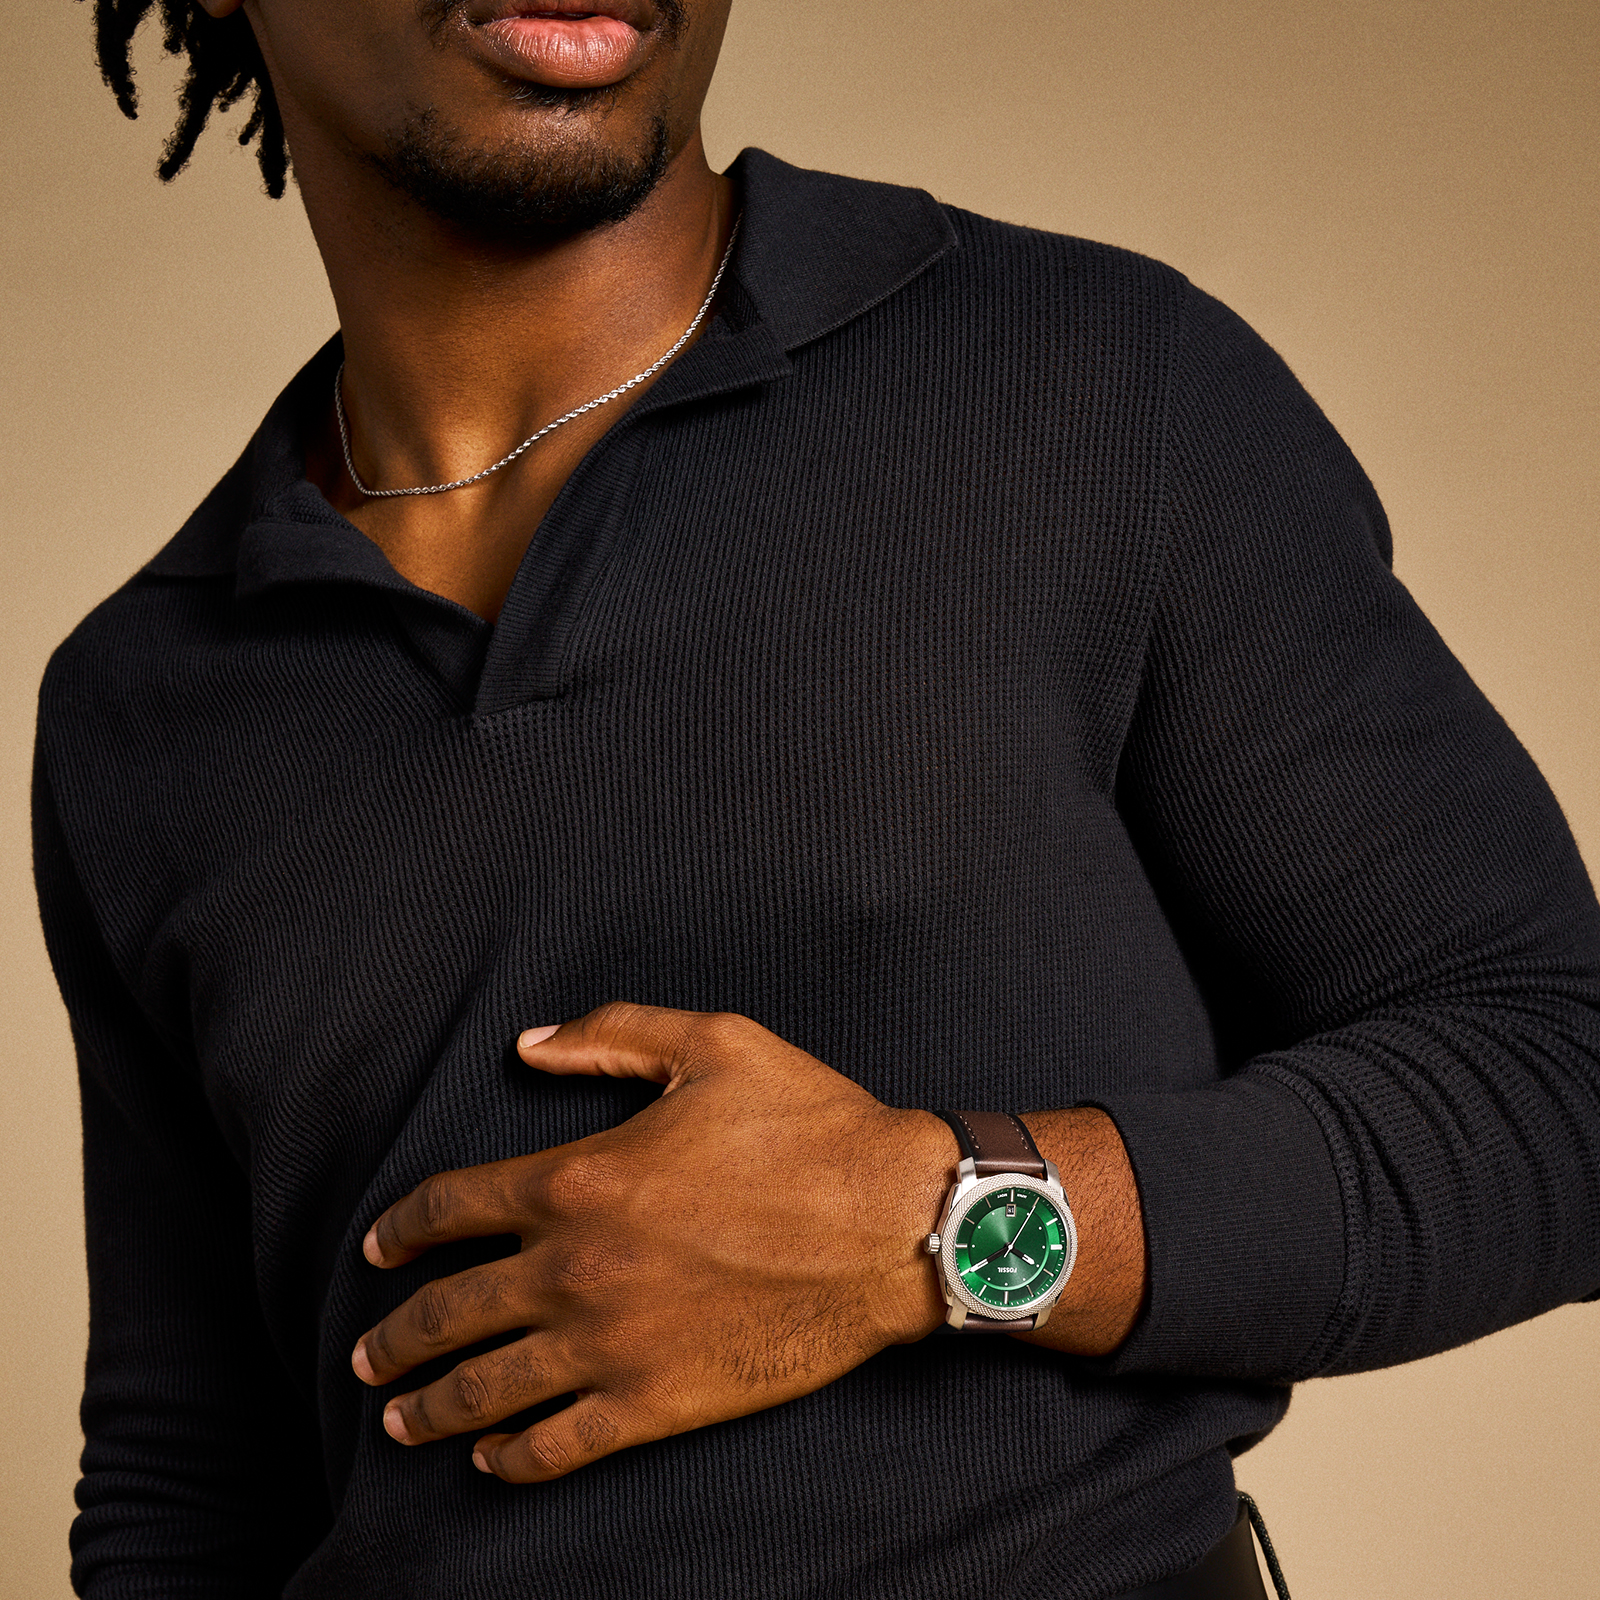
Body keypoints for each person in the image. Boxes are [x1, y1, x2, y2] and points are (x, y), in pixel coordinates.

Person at [34, 1, 1600, 1597]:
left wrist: (926, 1222)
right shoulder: (139, 700)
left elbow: (1558, 1079)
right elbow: (191, 1482)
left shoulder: (1099, 387)